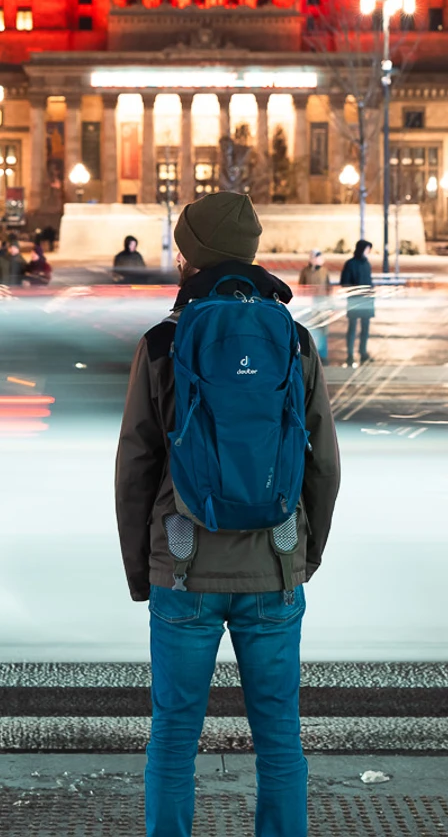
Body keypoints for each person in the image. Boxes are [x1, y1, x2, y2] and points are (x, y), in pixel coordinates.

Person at [114, 190, 340, 837]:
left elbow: (135, 468)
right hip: (273, 563)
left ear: (188, 254)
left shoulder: (162, 343)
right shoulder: (292, 342)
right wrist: (302, 555)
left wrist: (142, 571)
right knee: (279, 740)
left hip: (181, 566)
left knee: (174, 737)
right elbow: (321, 459)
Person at [338, 238, 376, 364]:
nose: (368, 252)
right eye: (366, 250)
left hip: (366, 300)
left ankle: (363, 351)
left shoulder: (366, 264)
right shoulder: (350, 264)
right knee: (352, 328)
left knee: (365, 328)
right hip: (355, 301)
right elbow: (345, 282)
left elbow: (369, 281)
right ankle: (350, 353)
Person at [295, 249, 331, 362]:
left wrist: (329, 304)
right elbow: (301, 287)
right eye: (316, 257)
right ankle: (310, 355)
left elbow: (328, 288)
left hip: (322, 304)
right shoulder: (305, 271)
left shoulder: (325, 271)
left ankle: (323, 355)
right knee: (310, 330)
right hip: (310, 305)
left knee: (323, 330)